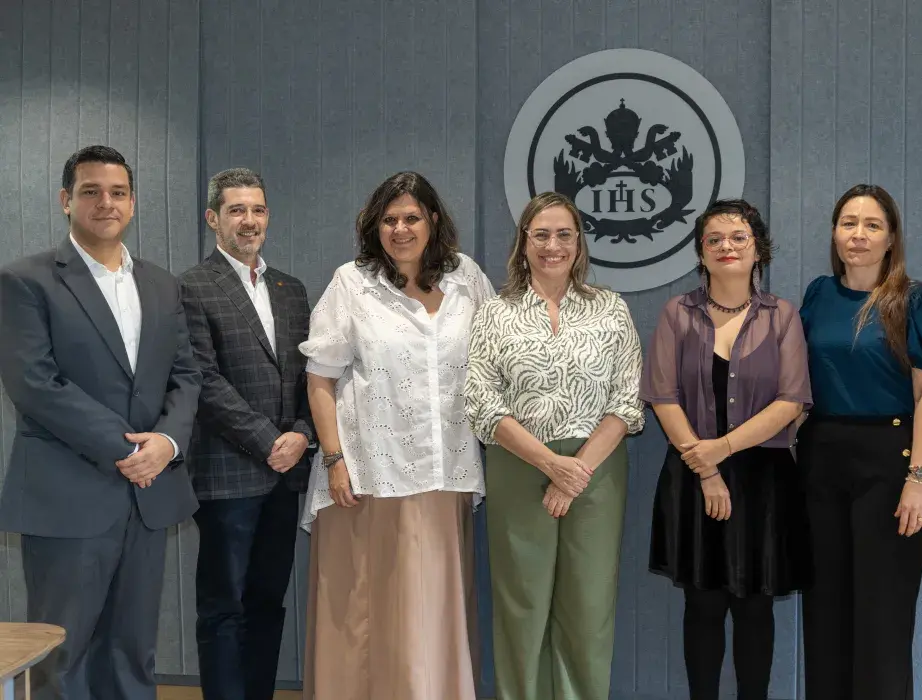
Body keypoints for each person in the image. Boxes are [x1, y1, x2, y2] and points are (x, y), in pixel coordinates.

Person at [0, 145, 202, 700]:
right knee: (64, 656)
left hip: (150, 492)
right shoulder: (25, 282)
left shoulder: (163, 286)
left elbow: (187, 376)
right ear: (67, 201)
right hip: (68, 496)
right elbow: (36, 385)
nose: (105, 202)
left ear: (133, 203)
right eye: (90, 191)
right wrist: (128, 449)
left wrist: (165, 443)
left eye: (117, 192)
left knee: (134, 651)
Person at [297, 171, 494, 700]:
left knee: (433, 607)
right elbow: (320, 379)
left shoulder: (466, 279)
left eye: (411, 217)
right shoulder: (352, 282)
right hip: (367, 474)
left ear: (433, 220)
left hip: (444, 469)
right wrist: (335, 459)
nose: (400, 229)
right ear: (373, 226)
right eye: (389, 219)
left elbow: (495, 363)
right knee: (368, 608)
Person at [464, 191, 644, 700]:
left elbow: (626, 401)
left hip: (598, 468)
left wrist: (576, 472)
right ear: (523, 243)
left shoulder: (610, 309)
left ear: (579, 243)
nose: (553, 245)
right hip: (518, 464)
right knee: (521, 601)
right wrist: (550, 464)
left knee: (588, 604)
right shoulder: (495, 313)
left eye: (564, 234)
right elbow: (482, 401)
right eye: (540, 234)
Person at [641, 199, 812, 700]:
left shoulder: (782, 316)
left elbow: (792, 401)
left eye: (738, 237)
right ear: (700, 251)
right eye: (714, 239)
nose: (726, 247)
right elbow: (662, 396)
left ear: (758, 248)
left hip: (765, 481)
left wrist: (724, 449)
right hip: (695, 477)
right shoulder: (678, 313)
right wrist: (708, 468)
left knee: (756, 607)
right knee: (704, 605)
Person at [797, 184, 922, 700]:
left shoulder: (915, 300)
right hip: (821, 459)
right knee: (826, 607)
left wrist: (920, 478)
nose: (858, 235)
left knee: (881, 615)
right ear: (834, 233)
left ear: (891, 238)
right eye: (848, 223)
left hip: (890, 462)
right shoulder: (819, 294)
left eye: (871, 225)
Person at [178, 167, 315, 700]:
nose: (249, 220)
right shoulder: (192, 286)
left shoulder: (291, 289)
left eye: (257, 209)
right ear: (213, 218)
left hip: (286, 475)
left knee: (267, 603)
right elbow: (202, 380)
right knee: (222, 607)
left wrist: (301, 434)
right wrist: (268, 442)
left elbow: (313, 374)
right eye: (237, 210)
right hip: (228, 476)